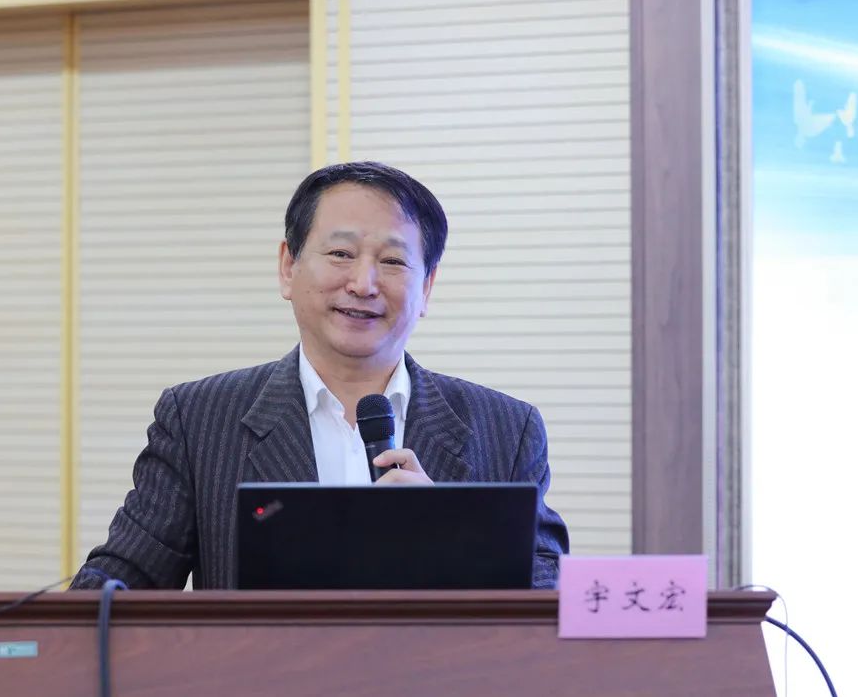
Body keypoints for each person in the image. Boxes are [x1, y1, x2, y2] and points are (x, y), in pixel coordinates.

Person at [70, 161, 569, 590]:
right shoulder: (198, 420)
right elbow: (116, 587)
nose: (363, 283)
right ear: (288, 267)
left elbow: (552, 602)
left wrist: (450, 537)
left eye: (393, 261)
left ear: (427, 288)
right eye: (340, 254)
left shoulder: (507, 429)